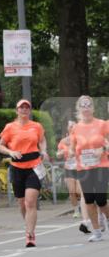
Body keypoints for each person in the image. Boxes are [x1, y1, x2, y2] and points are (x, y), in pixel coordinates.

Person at [0, 99, 50, 248]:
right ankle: (28, 225)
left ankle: (30, 234)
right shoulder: (10, 127)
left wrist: (44, 150)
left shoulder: (36, 126)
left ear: (30, 111)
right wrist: (11, 151)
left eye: (27, 107)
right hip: (17, 168)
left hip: (34, 166)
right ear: (17, 111)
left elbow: (42, 140)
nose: (24, 110)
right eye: (22, 107)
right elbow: (0, 146)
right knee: (22, 203)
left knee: (30, 202)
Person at [69, 95, 109, 242]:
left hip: (101, 166)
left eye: (88, 105)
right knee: (89, 201)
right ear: (78, 108)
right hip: (83, 168)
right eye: (83, 106)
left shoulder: (102, 124)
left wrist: (103, 148)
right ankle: (97, 231)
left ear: (92, 108)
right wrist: (72, 153)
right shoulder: (76, 128)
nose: (86, 108)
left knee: (101, 200)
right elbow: (72, 148)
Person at [56, 121, 85, 221]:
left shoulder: (80, 139)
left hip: (79, 168)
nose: (72, 127)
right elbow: (58, 154)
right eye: (70, 126)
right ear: (68, 128)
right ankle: (76, 211)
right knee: (72, 191)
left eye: (74, 126)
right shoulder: (63, 141)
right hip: (69, 168)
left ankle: (84, 205)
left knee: (79, 191)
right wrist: (60, 153)